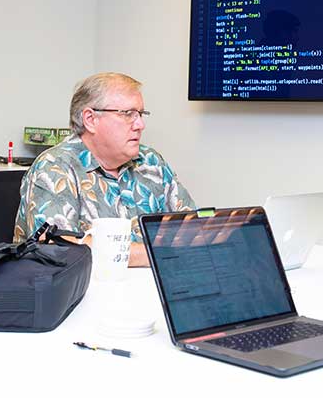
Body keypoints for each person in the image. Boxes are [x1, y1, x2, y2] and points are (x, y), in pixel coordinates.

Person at [13, 72, 196, 267]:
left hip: (151, 289)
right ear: (90, 119)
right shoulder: (54, 168)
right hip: (83, 294)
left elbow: (192, 229)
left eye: (141, 114)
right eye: (128, 114)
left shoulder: (151, 163)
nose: (140, 125)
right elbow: (57, 247)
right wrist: (149, 254)